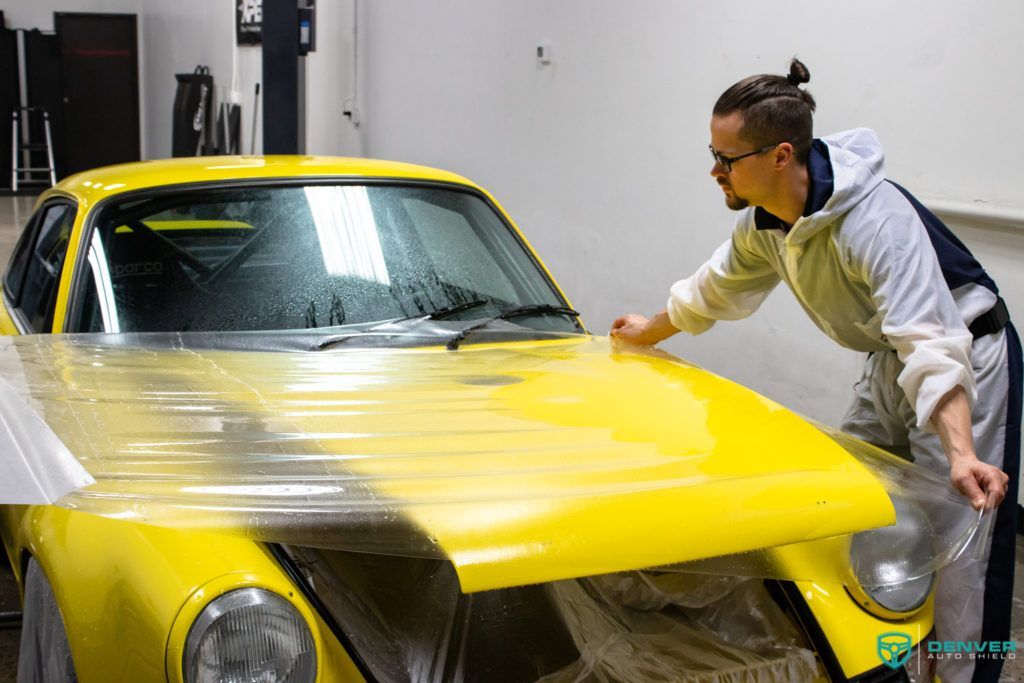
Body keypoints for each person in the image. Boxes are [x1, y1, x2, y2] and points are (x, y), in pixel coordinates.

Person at [610, 58, 1020, 683]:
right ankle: (882, 653)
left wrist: (961, 454)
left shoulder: (876, 221)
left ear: (779, 155)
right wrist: (648, 330)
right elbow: (711, 290)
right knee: (846, 496)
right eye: (713, 153)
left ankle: (965, 674)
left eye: (727, 158)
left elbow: (933, 344)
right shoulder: (768, 223)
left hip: (968, 358)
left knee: (958, 547)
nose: (714, 171)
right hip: (889, 361)